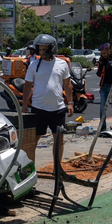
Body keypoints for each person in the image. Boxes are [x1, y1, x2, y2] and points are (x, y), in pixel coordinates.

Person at [22, 34, 73, 164]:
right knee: (33, 140)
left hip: (58, 109)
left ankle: (57, 168)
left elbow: (67, 85)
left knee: (59, 140)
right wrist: (24, 104)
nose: (41, 52)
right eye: (40, 49)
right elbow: (27, 85)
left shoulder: (62, 64)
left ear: (52, 49)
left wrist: (70, 103)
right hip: (39, 108)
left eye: (44, 49)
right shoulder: (34, 65)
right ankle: (30, 167)